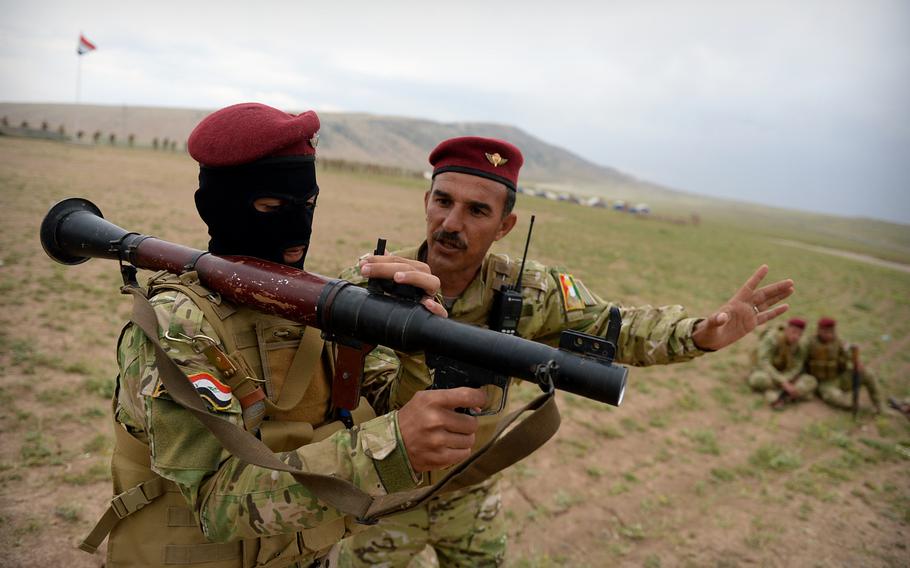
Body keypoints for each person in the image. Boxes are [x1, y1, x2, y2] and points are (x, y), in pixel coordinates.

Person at [336, 136, 796, 567]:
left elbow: (615, 327)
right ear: (426, 202)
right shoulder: (374, 285)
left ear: (505, 226)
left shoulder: (532, 292)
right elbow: (360, 393)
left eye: (477, 211)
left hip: (469, 492)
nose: (451, 224)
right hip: (385, 491)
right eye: (443, 202)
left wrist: (699, 334)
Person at [85, 103, 491, 568]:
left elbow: (382, 408)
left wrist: (417, 345)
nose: (298, 228)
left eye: (309, 205)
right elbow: (216, 504)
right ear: (213, 207)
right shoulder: (177, 324)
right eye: (271, 207)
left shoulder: (312, 303)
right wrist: (391, 448)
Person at [806, 317, 883, 413]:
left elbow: (850, 355)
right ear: (819, 330)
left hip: (840, 377)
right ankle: (856, 407)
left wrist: (857, 363)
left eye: (831, 331)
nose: (829, 334)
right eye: (826, 331)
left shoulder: (840, 342)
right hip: (825, 383)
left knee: (868, 374)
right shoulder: (810, 343)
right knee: (835, 398)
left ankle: (880, 407)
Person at [747, 317, 817, 408]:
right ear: (787, 329)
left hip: (786, 375)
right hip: (768, 373)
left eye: (799, 334)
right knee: (757, 379)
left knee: (811, 380)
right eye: (794, 332)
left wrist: (787, 379)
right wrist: (782, 382)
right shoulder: (772, 338)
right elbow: (764, 362)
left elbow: (798, 366)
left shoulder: (801, 345)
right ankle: (789, 394)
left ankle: (779, 395)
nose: (796, 336)